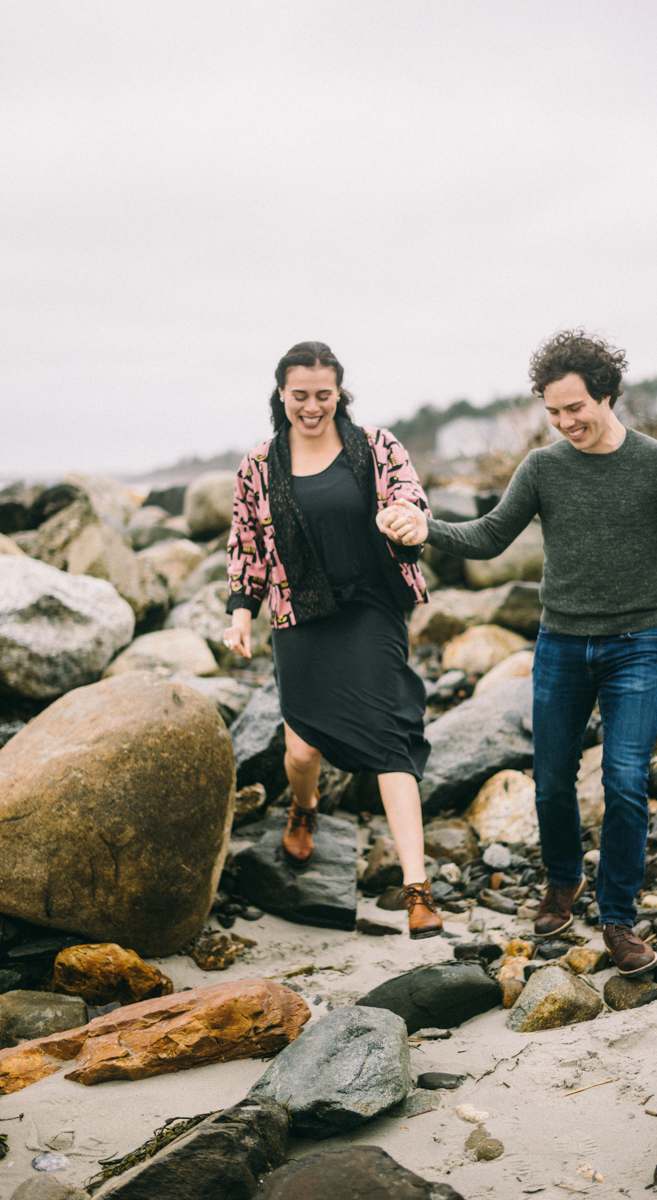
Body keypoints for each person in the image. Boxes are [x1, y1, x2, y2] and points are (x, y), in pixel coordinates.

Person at [378, 329, 657, 975]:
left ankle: (617, 917)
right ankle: (562, 883)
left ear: (608, 394)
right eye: (554, 413)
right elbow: (488, 537)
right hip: (561, 643)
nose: (566, 423)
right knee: (553, 779)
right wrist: (426, 530)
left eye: (576, 409)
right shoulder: (543, 467)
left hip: (635, 647)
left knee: (624, 781)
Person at [222, 341, 443, 939]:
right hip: (299, 615)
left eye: (324, 394)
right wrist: (241, 613)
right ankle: (305, 806)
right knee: (300, 753)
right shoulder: (259, 465)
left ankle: (417, 888)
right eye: (301, 395)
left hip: (371, 608)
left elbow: (409, 497)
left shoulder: (375, 446)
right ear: (281, 395)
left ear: (339, 392)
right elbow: (246, 546)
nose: (313, 406)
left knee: (392, 737)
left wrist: (404, 518)